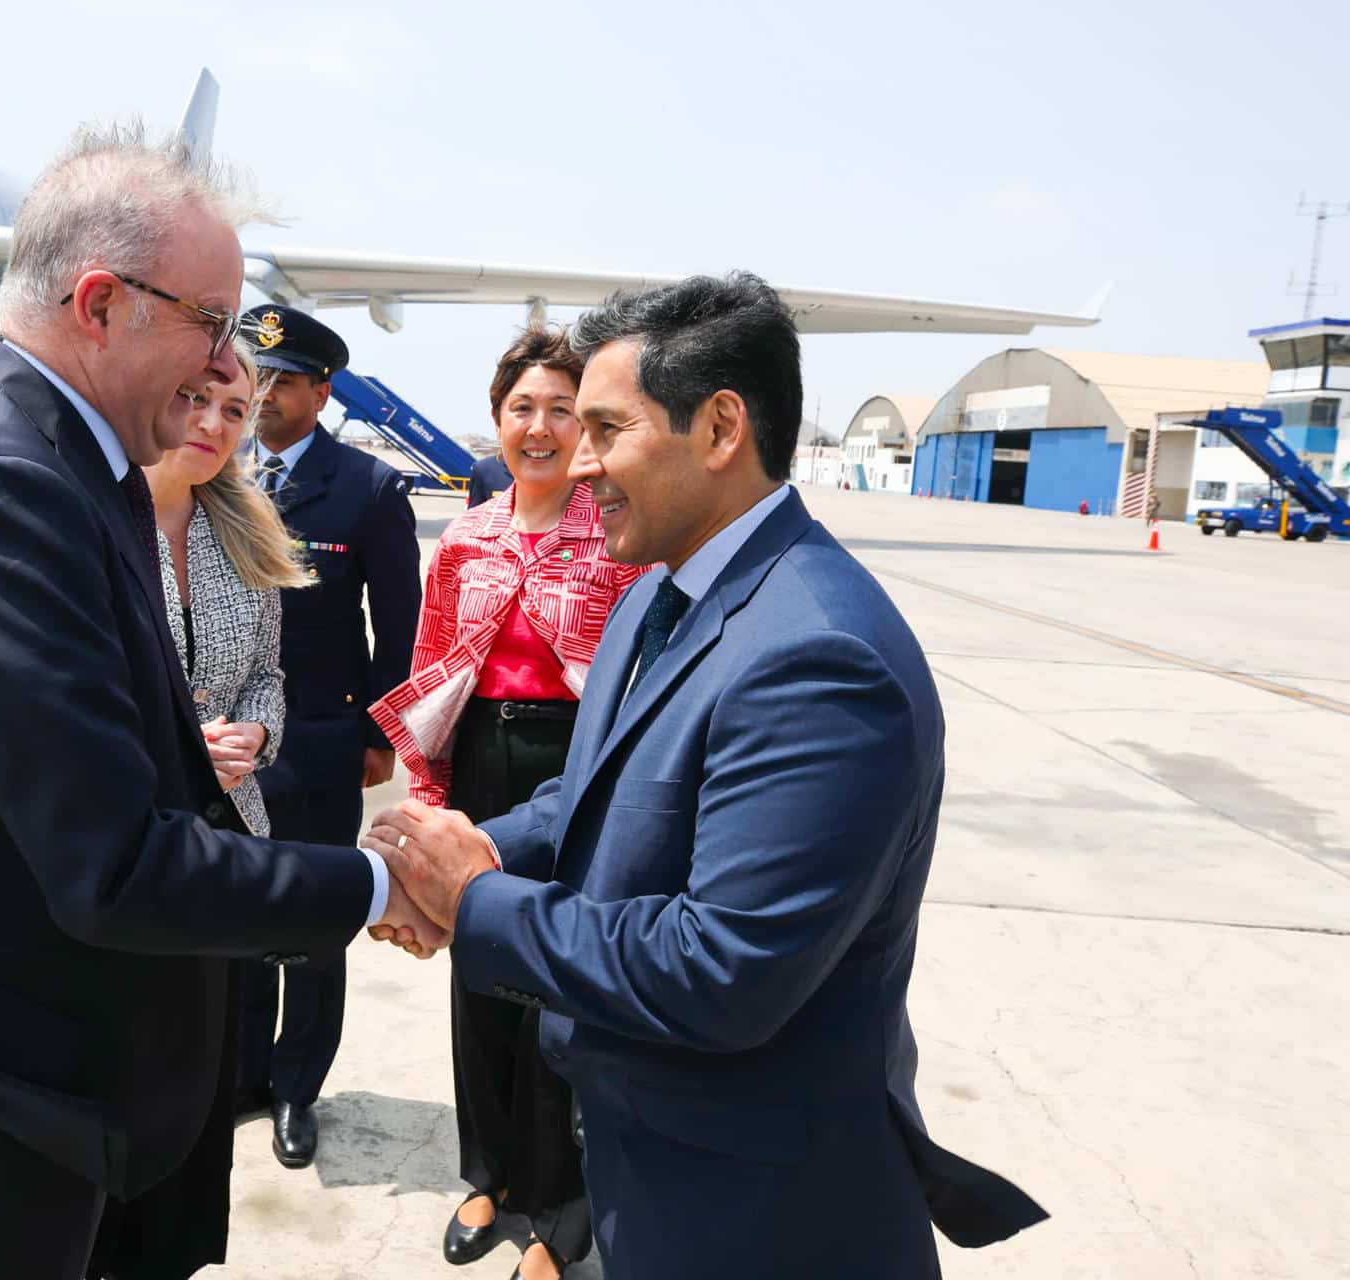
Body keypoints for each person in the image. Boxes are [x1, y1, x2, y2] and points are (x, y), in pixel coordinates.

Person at [0, 124, 442, 1280]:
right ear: (100, 302)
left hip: (32, 1082)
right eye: (213, 322)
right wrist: (389, 877)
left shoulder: (69, 467)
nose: (231, 364)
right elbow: (115, 861)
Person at [367, 274, 1048, 1277]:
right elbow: (593, 795)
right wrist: (442, 855)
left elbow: (720, 966)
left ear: (721, 426)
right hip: (651, 1163)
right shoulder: (657, 594)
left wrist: (473, 899)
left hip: (758, 1210)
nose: (579, 459)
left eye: (606, 427)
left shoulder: (817, 657)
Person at [370, 326, 643, 1279]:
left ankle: (556, 1215)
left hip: (575, 767)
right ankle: (485, 1175)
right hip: (483, 756)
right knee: (480, 972)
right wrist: (433, 799)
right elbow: (430, 670)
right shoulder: (466, 539)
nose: (540, 427)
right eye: (522, 408)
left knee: (558, 989)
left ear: (587, 426)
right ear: (496, 421)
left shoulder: (616, 536)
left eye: (561, 409)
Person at [84, 342, 311, 1279]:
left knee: (199, 1078)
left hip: (224, 843)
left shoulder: (245, 531)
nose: (214, 425)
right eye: (198, 399)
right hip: (126, 848)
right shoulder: (94, 522)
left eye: (235, 410)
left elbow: (269, 675)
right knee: (118, 1074)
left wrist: (255, 738)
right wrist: (181, 754)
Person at [237, 303, 423, 1170]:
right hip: (224, 741)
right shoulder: (207, 464)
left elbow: (398, 624)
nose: (262, 394)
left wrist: (381, 729)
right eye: (254, 375)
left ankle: (295, 1087)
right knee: (225, 912)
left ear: (321, 391)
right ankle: (238, 1071)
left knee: (314, 920)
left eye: (282, 381)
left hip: (317, 739)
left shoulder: (367, 489)